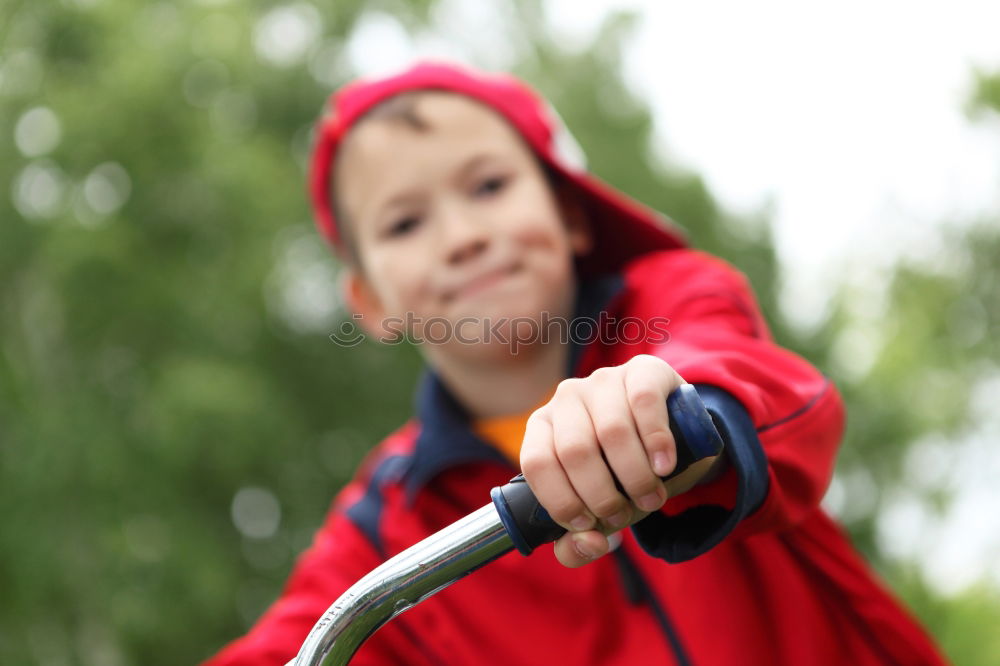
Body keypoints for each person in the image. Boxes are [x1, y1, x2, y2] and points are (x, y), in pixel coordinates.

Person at [205, 62, 946, 665]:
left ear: (569, 213)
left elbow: (762, 385)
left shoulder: (675, 302)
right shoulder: (384, 525)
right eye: (405, 222)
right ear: (370, 301)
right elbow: (286, 647)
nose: (463, 236)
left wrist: (677, 408)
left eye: (489, 186)